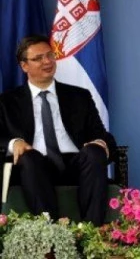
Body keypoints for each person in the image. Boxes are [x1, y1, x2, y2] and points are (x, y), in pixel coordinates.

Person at [0, 35, 117, 225]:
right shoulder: (7, 102)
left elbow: (102, 135)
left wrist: (100, 143)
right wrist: (14, 143)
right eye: (38, 58)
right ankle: (50, 232)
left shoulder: (79, 96)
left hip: (77, 165)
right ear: (24, 66)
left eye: (49, 55)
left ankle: (92, 231)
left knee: (95, 152)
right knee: (28, 157)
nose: (47, 61)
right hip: (34, 167)